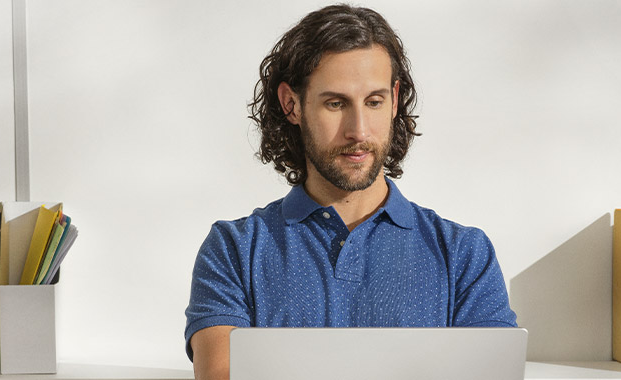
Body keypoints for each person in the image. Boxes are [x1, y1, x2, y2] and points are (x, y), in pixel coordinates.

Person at [183, 5, 517, 379]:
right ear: (291, 104)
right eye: (336, 103)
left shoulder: (464, 255)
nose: (358, 130)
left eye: (374, 102)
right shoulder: (234, 250)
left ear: (394, 99)